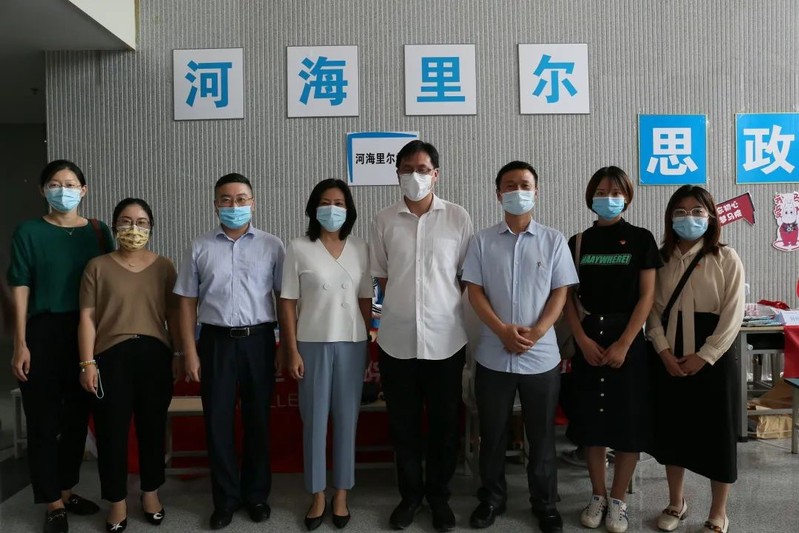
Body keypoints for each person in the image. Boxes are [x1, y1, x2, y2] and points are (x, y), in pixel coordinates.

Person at [461, 160, 577, 533]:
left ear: (536, 192)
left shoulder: (554, 240)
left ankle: (545, 503)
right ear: (498, 194)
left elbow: (561, 292)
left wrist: (539, 331)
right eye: (510, 185)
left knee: (541, 436)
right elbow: (474, 291)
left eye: (525, 185)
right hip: (494, 354)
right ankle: (491, 499)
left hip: (541, 357)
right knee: (492, 434)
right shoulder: (482, 241)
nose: (517, 191)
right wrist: (501, 330)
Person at [369, 140, 473, 532]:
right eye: (407, 168)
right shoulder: (383, 220)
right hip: (397, 341)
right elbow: (382, 277)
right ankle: (410, 496)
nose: (415, 175)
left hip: (446, 340)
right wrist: (395, 311)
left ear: (436, 174)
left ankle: (439, 497)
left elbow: (465, 277)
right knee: (404, 425)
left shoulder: (458, 217)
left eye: (423, 169)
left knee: (445, 425)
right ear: (397, 173)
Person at [174, 173, 285, 530]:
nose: (234, 206)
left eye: (241, 199)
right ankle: (224, 499)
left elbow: (284, 299)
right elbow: (187, 302)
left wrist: (286, 346)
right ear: (215, 205)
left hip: (260, 341)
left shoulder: (272, 246)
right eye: (226, 199)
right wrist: (189, 352)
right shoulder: (199, 246)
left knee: (258, 421)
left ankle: (256, 495)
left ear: (253, 203)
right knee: (217, 422)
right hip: (215, 342)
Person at [7, 160, 113, 533]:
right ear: (42, 190)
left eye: (70, 184)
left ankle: (66, 490)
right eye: (54, 184)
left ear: (84, 190)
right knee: (43, 420)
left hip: (88, 333)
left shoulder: (98, 231)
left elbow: (111, 278)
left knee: (76, 420)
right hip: (43, 331)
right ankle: (51, 501)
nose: (62, 190)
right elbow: (19, 285)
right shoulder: (29, 231)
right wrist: (20, 342)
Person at [562, 167, 662, 533]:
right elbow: (567, 297)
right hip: (589, 336)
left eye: (616, 192)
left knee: (626, 423)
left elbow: (647, 296)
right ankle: (597, 495)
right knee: (592, 424)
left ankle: (618, 500)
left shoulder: (641, 239)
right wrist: (582, 340)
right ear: (590, 196)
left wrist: (625, 342)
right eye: (601, 192)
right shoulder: (578, 243)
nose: (608, 198)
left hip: (628, 338)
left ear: (627, 198)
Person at [78, 198, 181, 532]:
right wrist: (87, 362)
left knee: (153, 428)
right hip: (110, 356)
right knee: (111, 433)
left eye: (141, 222)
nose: (133, 228)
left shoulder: (164, 266)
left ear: (151, 228)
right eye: (125, 221)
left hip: (155, 355)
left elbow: (174, 315)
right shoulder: (97, 267)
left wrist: (178, 354)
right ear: (114, 226)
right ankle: (117, 501)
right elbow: (87, 317)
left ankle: (150, 493)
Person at [646, 185, 744, 533]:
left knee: (718, 434)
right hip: (669, 352)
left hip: (714, 355)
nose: (689, 218)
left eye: (697, 211)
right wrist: (663, 351)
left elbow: (733, 313)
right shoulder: (660, 259)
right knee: (673, 430)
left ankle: (718, 512)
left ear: (711, 216)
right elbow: (650, 309)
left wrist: (705, 356)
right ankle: (677, 502)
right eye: (681, 211)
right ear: (670, 217)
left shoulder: (726, 257)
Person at [280, 179, 373, 531]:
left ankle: (342, 493)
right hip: (312, 343)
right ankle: (317, 493)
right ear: (313, 208)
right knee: (315, 421)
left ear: (348, 210)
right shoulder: (298, 247)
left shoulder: (361, 247)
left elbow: (366, 298)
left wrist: (368, 337)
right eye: (324, 202)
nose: (331, 209)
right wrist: (291, 349)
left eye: (339, 203)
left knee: (348, 420)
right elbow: (287, 302)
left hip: (352, 342)